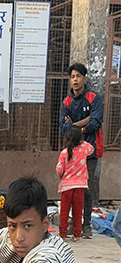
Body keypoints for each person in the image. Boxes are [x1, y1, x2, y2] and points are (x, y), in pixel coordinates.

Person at [60, 63, 103, 239]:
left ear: (84, 78)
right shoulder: (66, 102)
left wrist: (74, 127)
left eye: (78, 76)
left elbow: (96, 122)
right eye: (72, 77)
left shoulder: (94, 98)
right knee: (70, 190)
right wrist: (82, 123)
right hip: (71, 153)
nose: (75, 80)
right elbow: (63, 127)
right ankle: (73, 224)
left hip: (90, 151)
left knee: (86, 189)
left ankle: (86, 226)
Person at [56, 127, 92, 242]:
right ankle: (77, 235)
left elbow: (59, 170)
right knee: (78, 211)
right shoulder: (84, 149)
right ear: (80, 139)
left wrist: (61, 176)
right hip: (80, 186)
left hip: (67, 187)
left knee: (64, 212)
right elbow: (91, 148)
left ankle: (62, 234)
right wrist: (82, 142)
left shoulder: (64, 153)